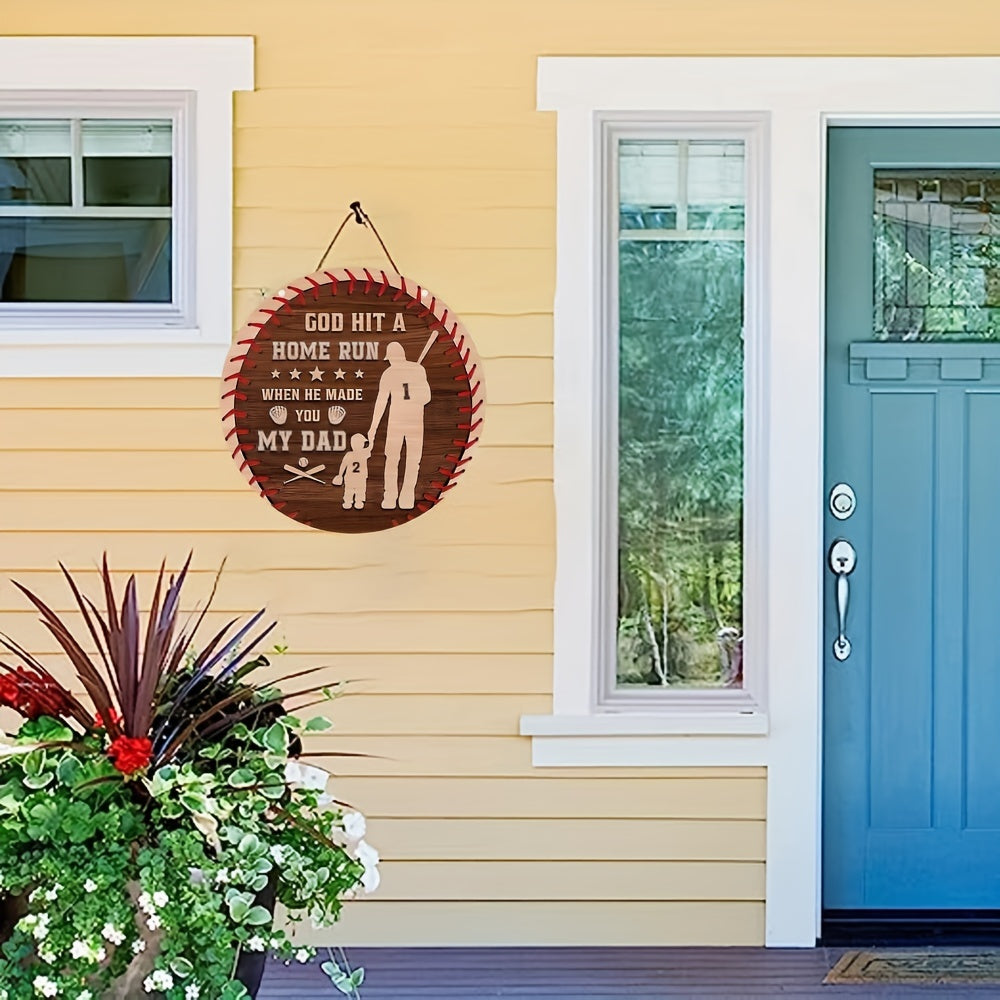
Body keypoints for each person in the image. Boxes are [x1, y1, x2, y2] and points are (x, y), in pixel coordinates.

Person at [367, 342, 431, 510]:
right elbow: (426, 398)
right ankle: (407, 497)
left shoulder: (388, 373)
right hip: (415, 422)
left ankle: (390, 498)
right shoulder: (418, 370)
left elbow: (381, 403)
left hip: (396, 423)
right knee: (412, 461)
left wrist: (373, 428)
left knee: (392, 459)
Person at [332, 434, 372, 510]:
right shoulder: (364, 453)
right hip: (360, 477)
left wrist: (340, 474)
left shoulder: (349, 454)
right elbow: (370, 448)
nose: (364, 445)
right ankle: (358, 501)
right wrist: (371, 438)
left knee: (349, 489)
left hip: (350, 477)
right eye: (363, 443)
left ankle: (348, 502)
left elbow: (343, 465)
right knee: (360, 489)